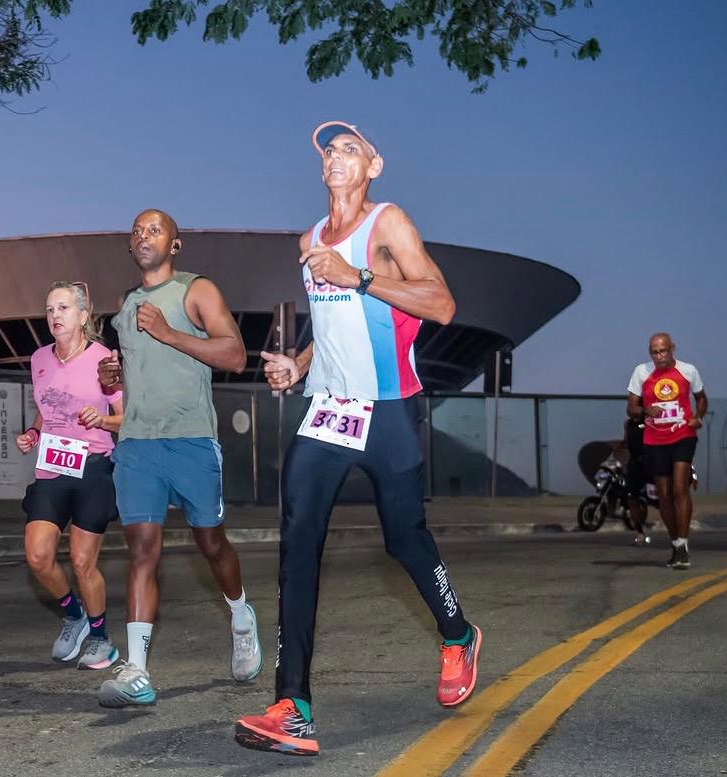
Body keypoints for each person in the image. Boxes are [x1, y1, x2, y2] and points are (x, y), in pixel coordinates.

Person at [234, 122, 481, 757]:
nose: (337, 159)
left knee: (404, 538)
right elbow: (334, 324)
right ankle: (295, 706)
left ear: (373, 165)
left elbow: (442, 305)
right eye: (329, 152)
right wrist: (300, 365)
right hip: (327, 411)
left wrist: (361, 277)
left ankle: (457, 634)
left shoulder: (389, 223)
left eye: (351, 150)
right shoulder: (309, 240)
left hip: (388, 410)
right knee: (297, 541)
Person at [94, 209, 262, 708]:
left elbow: (234, 356)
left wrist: (170, 333)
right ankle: (137, 671)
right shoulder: (124, 305)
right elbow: (131, 371)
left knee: (211, 544)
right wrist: (113, 377)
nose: (144, 236)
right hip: (137, 444)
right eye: (137, 231)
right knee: (143, 550)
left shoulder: (197, 290)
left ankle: (240, 616)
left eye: (155, 230)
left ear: (175, 244)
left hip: (190, 439)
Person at [16, 281, 124, 670]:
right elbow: (47, 410)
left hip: (94, 466)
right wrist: (33, 433)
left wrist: (104, 419)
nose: (55, 316)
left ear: (82, 315)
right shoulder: (39, 359)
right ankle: (73, 615)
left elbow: (126, 417)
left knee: (82, 561)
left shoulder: (103, 359)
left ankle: (100, 637)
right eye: (49, 310)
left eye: (63, 308)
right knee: (38, 556)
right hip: (53, 466)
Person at [627, 333, 707, 569]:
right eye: (654, 352)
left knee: (679, 488)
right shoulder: (641, 372)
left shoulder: (688, 370)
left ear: (672, 348)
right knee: (663, 494)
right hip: (654, 439)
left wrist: (697, 417)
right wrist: (644, 410)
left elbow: (701, 398)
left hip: (683, 435)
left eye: (663, 350)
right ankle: (675, 542)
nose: (659, 356)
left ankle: (683, 545)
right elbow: (631, 407)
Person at [621, 417, 651, 545]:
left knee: (663, 496)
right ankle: (639, 532)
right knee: (632, 499)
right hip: (634, 464)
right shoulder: (628, 423)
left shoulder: (650, 421)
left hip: (651, 462)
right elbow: (626, 442)